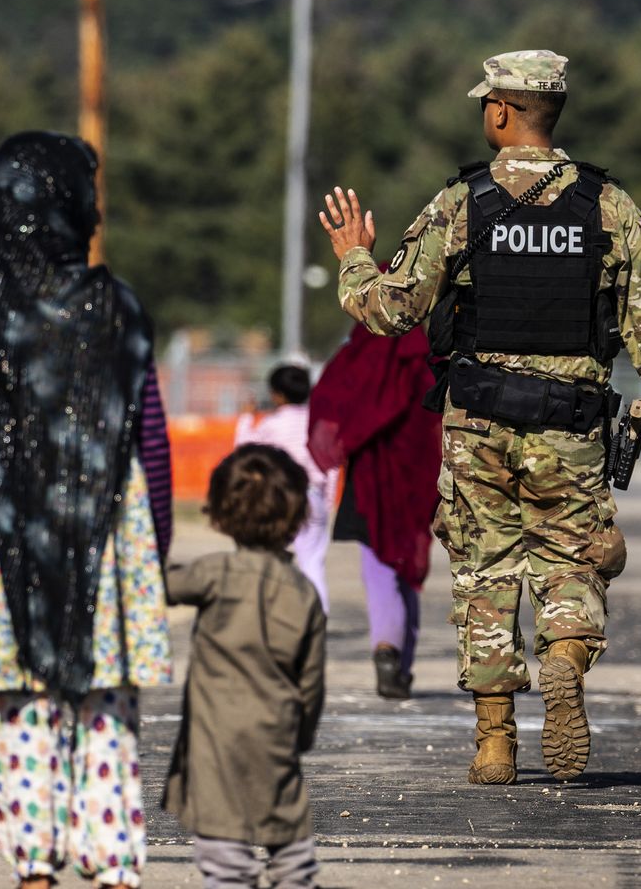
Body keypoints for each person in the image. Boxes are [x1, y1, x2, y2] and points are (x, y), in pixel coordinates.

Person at [319, 49, 641, 784]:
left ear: (499, 111)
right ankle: (565, 657)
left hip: (479, 424)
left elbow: (390, 313)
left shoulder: (460, 204)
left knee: (484, 572)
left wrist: (354, 258)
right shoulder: (609, 206)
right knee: (572, 562)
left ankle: (495, 743)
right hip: (572, 425)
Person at [0, 132, 177, 888]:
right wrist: (154, 544)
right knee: (104, 715)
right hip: (108, 534)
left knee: (14, 716)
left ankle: (33, 870)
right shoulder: (118, 307)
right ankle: (110, 865)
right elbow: (150, 439)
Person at [162, 445, 327, 889]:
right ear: (298, 518)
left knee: (225, 856)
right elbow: (311, 681)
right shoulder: (303, 593)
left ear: (219, 515)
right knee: (289, 844)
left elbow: (161, 584)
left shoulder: (213, 573)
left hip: (212, 744)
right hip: (276, 737)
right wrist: (301, 735)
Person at [307, 323, 443, 701]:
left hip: (370, 475)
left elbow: (331, 399)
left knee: (378, 564)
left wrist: (345, 441)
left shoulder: (361, 353)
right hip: (417, 475)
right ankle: (402, 664)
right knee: (407, 564)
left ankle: (385, 646)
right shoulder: (427, 357)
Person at [234, 365, 335, 607]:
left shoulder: (272, 424)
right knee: (312, 562)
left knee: (270, 557)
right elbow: (332, 466)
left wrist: (247, 418)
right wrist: (327, 501)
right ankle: (318, 614)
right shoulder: (319, 424)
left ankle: (271, 611)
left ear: (276, 395)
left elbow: (244, 451)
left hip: (281, 497)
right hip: (314, 496)